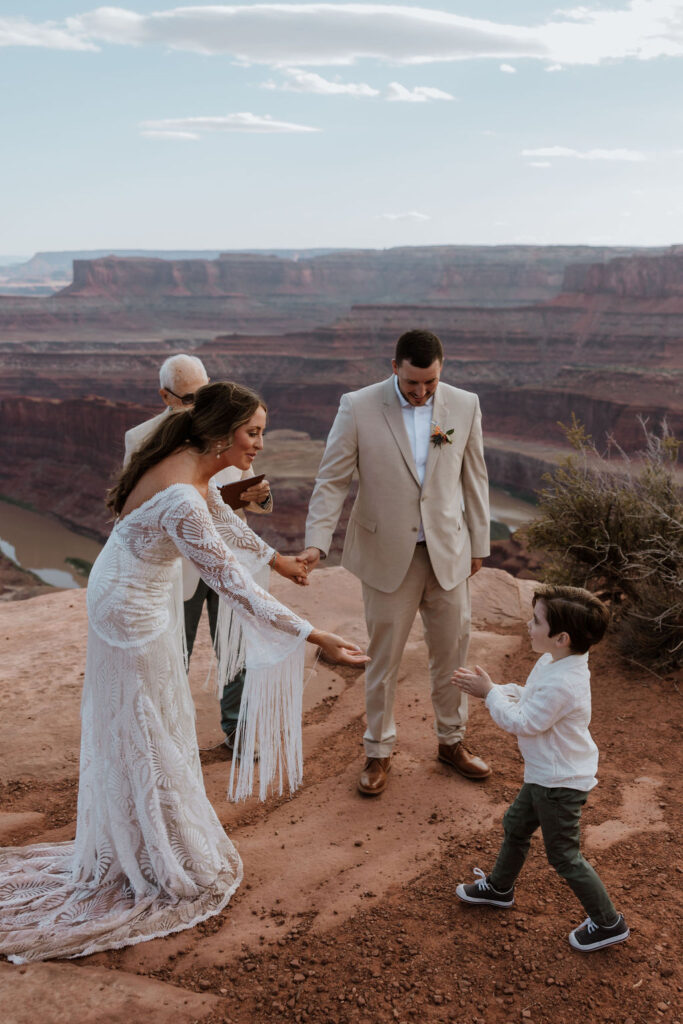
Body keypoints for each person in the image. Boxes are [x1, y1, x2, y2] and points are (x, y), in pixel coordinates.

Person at [0, 382, 367, 964]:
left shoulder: (191, 466)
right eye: (253, 433)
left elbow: (230, 524)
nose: (260, 445)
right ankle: (156, 855)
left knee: (145, 714)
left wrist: (279, 560)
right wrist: (314, 635)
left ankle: (141, 838)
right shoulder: (183, 497)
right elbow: (231, 582)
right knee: (146, 719)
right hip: (130, 607)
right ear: (223, 433)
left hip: (121, 588)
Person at [300, 329, 491, 797]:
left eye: (430, 382)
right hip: (388, 557)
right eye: (412, 384)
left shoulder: (464, 405)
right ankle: (378, 751)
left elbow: (475, 477)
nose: (422, 392)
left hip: (447, 552)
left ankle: (452, 742)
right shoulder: (358, 406)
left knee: (453, 656)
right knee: (382, 660)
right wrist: (316, 544)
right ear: (394, 368)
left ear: (441, 370)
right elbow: (332, 480)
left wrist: (480, 544)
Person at [453, 585, 629, 953]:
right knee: (516, 826)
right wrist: (496, 688)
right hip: (544, 775)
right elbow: (530, 694)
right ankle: (500, 888)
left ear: (561, 637)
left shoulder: (566, 682)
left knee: (564, 855)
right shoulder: (554, 662)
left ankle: (608, 922)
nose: (528, 625)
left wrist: (490, 694)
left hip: (559, 783)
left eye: (536, 621)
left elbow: (525, 721)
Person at [124, 353, 273, 748]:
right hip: (179, 566)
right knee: (175, 655)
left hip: (230, 559)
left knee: (236, 648)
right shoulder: (140, 439)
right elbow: (140, 511)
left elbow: (249, 492)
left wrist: (257, 496)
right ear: (166, 397)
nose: (199, 405)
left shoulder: (228, 427)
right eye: (189, 398)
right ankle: (172, 739)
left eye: (204, 394)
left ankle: (238, 730)